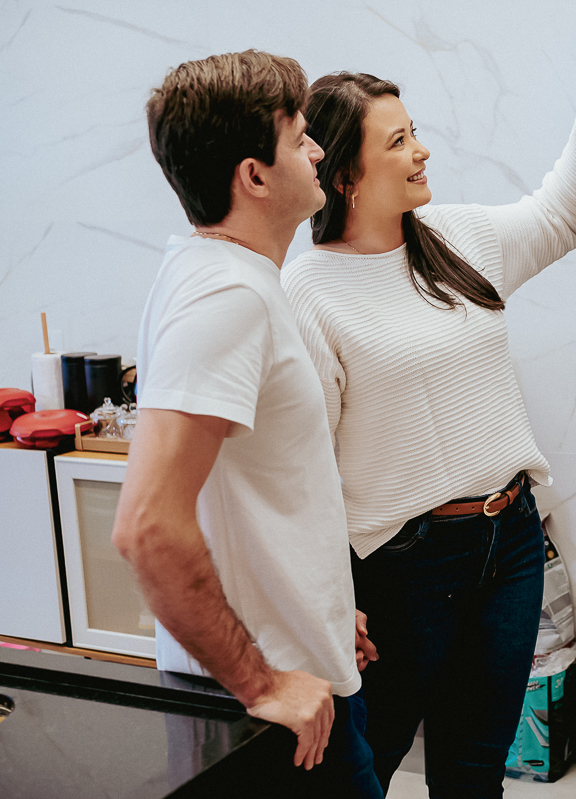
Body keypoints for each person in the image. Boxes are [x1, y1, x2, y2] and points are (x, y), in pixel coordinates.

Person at [281, 48, 576, 793]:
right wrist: (331, 602)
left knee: (476, 766)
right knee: (369, 761)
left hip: (509, 545)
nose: (421, 149)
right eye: (397, 140)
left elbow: (558, 217)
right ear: (345, 174)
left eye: (415, 131)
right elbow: (303, 475)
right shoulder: (307, 290)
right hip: (404, 570)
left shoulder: (453, 236)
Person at [113, 51, 382, 797]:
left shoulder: (226, 275)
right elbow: (148, 527)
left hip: (299, 678)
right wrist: (261, 680)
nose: (319, 149)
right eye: (300, 138)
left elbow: (253, 490)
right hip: (271, 716)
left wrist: (319, 602)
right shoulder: (227, 298)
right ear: (254, 175)